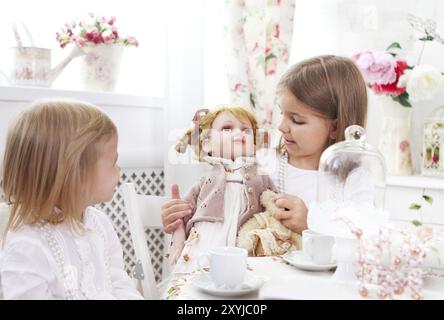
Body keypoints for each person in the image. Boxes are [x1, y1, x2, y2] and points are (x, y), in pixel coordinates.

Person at [162, 54, 368, 238]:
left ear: (336, 127)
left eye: (297, 120)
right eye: (282, 113)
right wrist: (180, 217)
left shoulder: (353, 181)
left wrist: (310, 224)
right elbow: (216, 210)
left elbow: (362, 243)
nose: (281, 126)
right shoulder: (257, 164)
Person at [0, 99, 143, 300]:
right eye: (113, 161)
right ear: (76, 173)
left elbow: (118, 283)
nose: (119, 169)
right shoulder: (27, 247)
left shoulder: (99, 224)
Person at [168, 106, 276, 272]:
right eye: (227, 128)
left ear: (254, 146)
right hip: (205, 243)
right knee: (198, 284)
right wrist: (178, 244)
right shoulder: (205, 180)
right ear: (207, 143)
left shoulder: (263, 178)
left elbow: (276, 210)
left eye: (246, 130)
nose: (239, 133)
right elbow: (180, 219)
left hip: (246, 248)